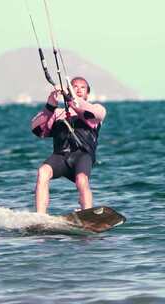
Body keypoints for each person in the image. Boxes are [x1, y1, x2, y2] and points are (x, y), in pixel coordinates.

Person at [31, 77, 106, 214]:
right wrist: (51, 103)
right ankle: (40, 215)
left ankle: (87, 214)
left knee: (81, 179)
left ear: (87, 93)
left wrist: (71, 99)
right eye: (74, 86)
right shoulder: (58, 113)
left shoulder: (96, 109)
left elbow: (91, 113)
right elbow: (37, 129)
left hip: (82, 155)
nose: (78, 90)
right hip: (60, 156)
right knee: (42, 172)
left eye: (82, 87)